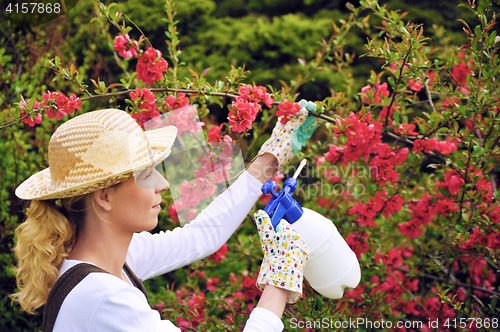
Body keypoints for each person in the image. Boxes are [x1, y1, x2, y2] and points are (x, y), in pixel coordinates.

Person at [11, 107, 315, 331]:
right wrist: (280, 280)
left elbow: (200, 237)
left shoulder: (105, 261)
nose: (162, 183)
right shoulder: (104, 298)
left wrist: (271, 156)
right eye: (146, 173)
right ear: (104, 197)